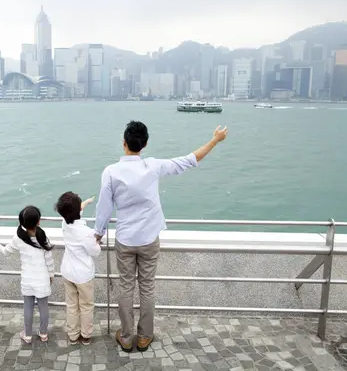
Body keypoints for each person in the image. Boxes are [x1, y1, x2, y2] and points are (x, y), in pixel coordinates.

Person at [94, 121, 228, 352]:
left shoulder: (111, 172)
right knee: (147, 286)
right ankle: (145, 336)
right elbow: (190, 160)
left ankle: (125, 337)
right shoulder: (153, 166)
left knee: (126, 287)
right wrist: (215, 140)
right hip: (149, 239)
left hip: (125, 239)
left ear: (124, 143)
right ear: (145, 144)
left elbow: (103, 208)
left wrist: (98, 232)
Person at [0, 205, 55, 343]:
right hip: (42, 278)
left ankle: (27, 334)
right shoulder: (43, 236)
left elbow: (5, 252)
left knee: (28, 307)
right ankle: (43, 333)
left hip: (27, 279)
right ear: (38, 221)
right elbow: (49, 259)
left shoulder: (18, 238)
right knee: (44, 307)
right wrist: (51, 274)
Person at [55, 192, 99, 346]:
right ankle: (86, 336)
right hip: (83, 275)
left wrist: (85, 202)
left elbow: (75, 211)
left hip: (68, 271)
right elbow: (95, 251)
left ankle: (73, 335)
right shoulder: (86, 233)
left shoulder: (65, 223)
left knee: (72, 305)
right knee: (86, 306)